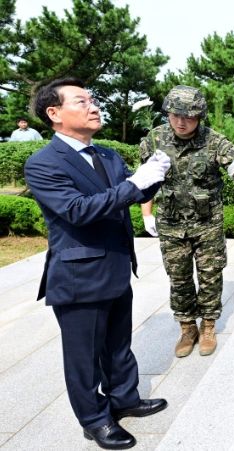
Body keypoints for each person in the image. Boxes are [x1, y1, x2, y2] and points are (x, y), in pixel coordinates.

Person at [24, 78, 171, 449]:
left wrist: (154, 176)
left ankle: (124, 398)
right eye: (81, 101)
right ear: (54, 113)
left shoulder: (106, 154)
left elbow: (127, 194)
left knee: (118, 344)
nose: (93, 106)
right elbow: (77, 211)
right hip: (79, 274)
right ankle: (95, 420)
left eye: (93, 100)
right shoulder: (43, 163)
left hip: (116, 265)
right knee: (84, 357)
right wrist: (135, 184)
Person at [139, 85, 234, 358]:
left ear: (199, 116)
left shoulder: (213, 141)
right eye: (175, 115)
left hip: (207, 224)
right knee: (178, 278)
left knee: (210, 275)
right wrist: (146, 213)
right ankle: (187, 327)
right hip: (171, 223)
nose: (181, 122)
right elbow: (147, 178)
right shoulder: (154, 139)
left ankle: (208, 327)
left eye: (188, 117)